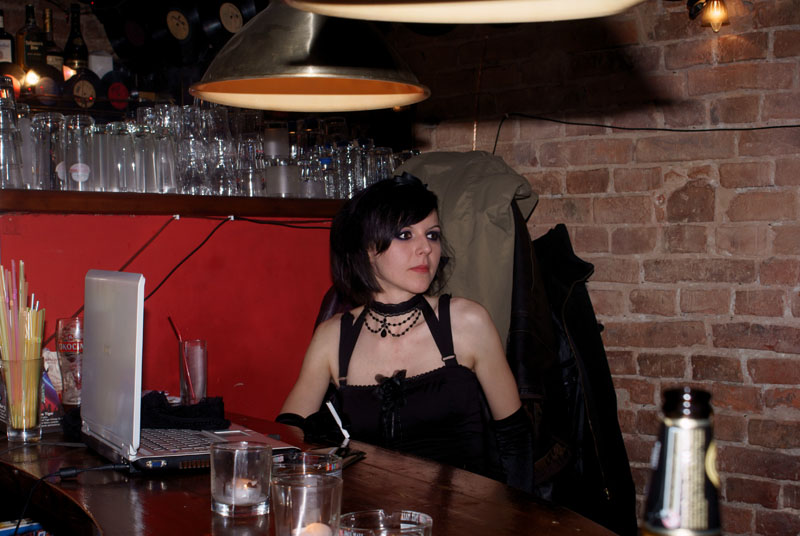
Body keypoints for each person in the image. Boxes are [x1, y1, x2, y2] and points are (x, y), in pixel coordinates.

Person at [277, 173, 533, 487]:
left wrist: (518, 513)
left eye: (433, 235)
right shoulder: (334, 337)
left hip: (464, 511)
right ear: (368, 247)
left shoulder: (467, 322)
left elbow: (515, 439)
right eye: (405, 234)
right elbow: (286, 434)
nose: (425, 248)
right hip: (369, 512)